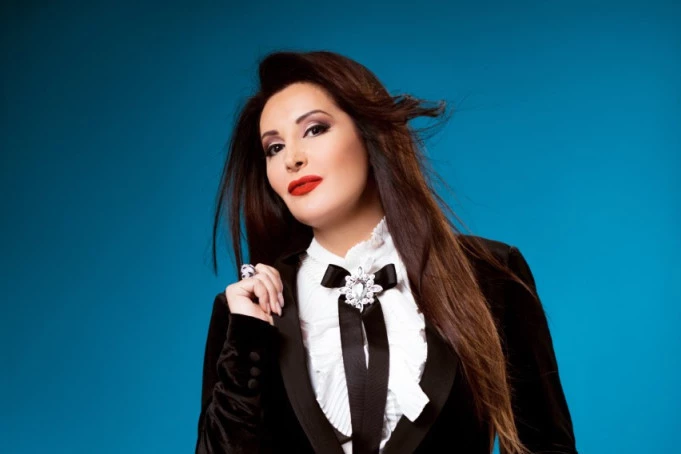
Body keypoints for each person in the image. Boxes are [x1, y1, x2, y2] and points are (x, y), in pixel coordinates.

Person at [195, 50, 577, 454]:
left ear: (369, 133)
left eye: (314, 129)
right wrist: (247, 337)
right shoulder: (249, 311)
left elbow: (547, 446)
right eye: (274, 148)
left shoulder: (489, 274)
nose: (292, 159)